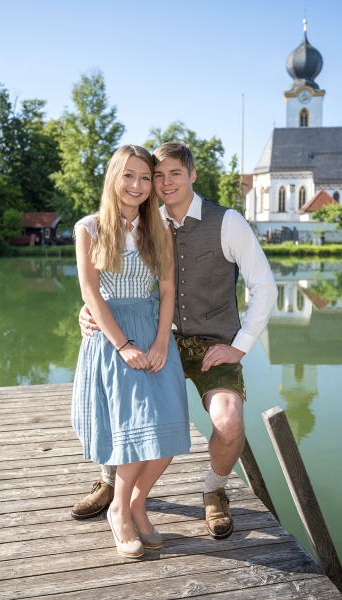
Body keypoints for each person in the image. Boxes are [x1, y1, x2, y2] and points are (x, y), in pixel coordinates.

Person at [74, 142, 277, 540]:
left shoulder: (228, 221)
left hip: (209, 341)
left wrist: (240, 345)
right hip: (154, 334)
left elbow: (265, 288)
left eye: (172, 174)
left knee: (228, 420)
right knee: (127, 409)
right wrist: (85, 311)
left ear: (192, 175)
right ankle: (112, 483)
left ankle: (214, 489)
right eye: (157, 175)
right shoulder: (145, 217)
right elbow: (103, 283)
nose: (162, 183)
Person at [71, 144, 191, 558]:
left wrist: (161, 341)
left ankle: (136, 502)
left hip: (154, 330)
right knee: (135, 429)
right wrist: (122, 345)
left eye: (145, 177)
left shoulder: (158, 228)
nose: (137, 185)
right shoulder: (88, 228)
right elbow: (90, 292)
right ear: (113, 178)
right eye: (129, 175)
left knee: (171, 428)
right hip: (112, 335)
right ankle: (119, 510)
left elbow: (168, 288)